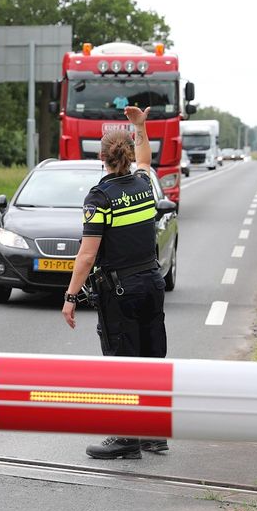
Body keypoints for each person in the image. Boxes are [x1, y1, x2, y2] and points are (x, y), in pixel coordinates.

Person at [61, 105, 168, 460]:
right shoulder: (143, 184)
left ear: (102, 158)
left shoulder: (100, 198)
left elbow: (87, 255)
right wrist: (141, 126)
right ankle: (154, 434)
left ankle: (126, 437)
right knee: (152, 357)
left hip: (120, 290)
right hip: (152, 282)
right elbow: (146, 160)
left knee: (122, 360)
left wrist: (71, 296)